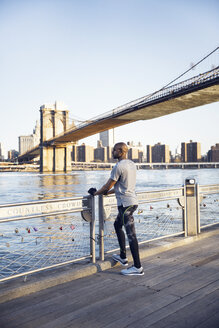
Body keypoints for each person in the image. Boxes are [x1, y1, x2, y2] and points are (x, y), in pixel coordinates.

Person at [88, 142, 144, 276]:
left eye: (114, 150)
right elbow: (121, 186)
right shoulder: (131, 164)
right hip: (132, 202)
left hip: (125, 205)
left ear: (120, 151)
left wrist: (95, 193)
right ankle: (123, 257)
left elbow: (107, 186)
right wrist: (107, 193)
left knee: (131, 236)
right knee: (117, 225)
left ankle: (138, 267)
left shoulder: (118, 166)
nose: (112, 152)